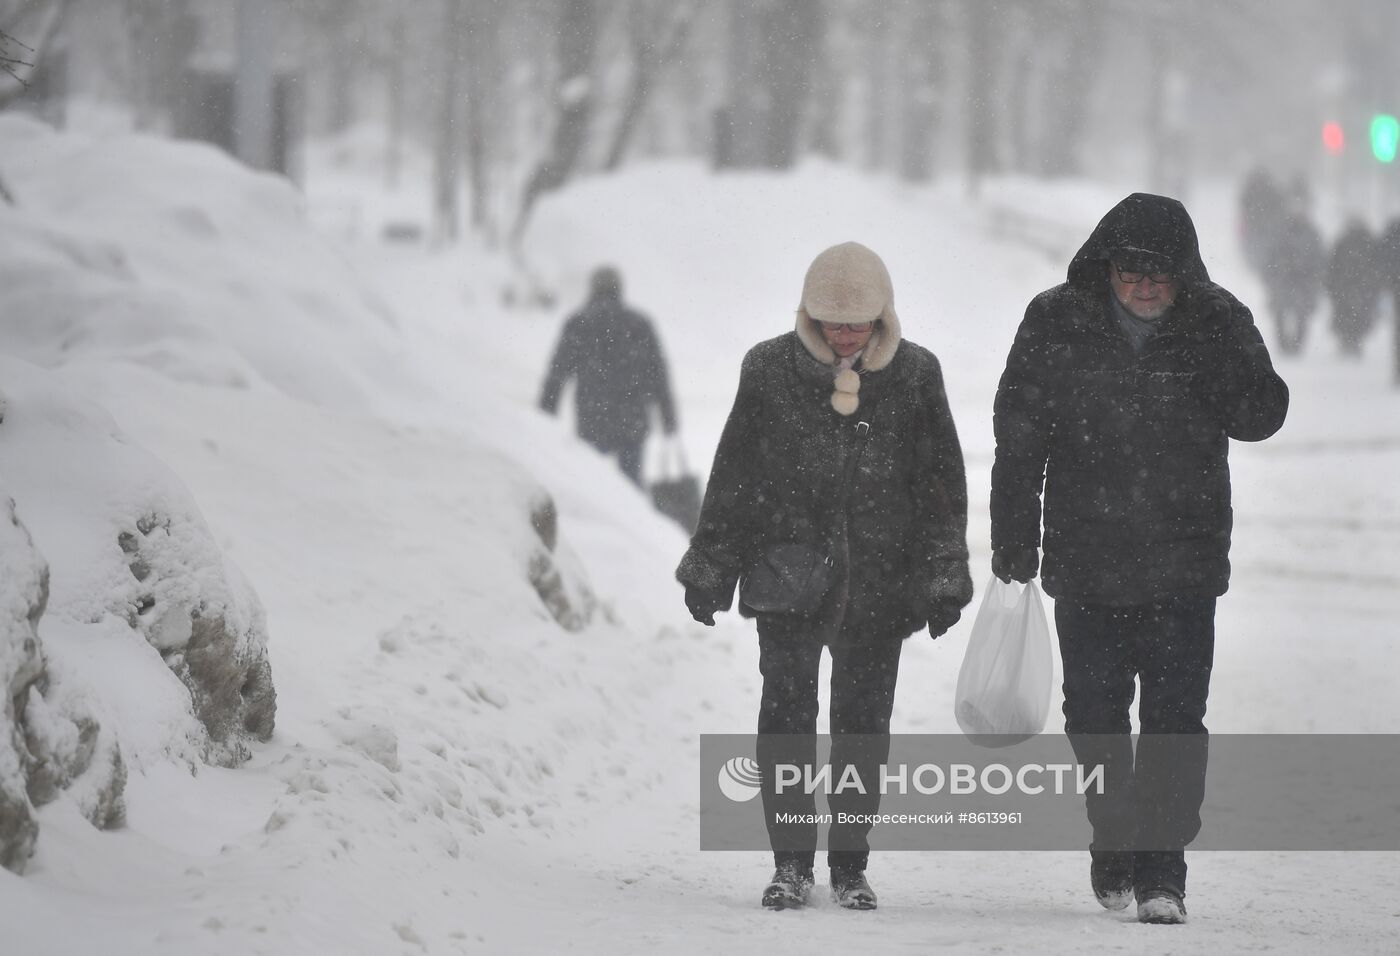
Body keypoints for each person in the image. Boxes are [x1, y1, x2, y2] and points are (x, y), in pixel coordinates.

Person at [991, 194, 1288, 925]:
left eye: (1162, 274)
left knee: (1175, 723)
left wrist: (1218, 356)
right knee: (1093, 716)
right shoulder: (1056, 321)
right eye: (1132, 271)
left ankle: (1164, 871)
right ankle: (1111, 833)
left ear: (1184, 273)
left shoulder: (1215, 321)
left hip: (1184, 563)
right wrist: (1012, 542)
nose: (1146, 287)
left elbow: (1261, 415)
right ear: (1107, 266)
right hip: (1085, 558)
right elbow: (1019, 438)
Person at [675, 242, 973, 911]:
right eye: (833, 321)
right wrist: (712, 564)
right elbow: (737, 475)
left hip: (880, 577)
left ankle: (849, 866)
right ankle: (789, 864)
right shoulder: (770, 369)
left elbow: (938, 484)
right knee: (785, 722)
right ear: (809, 315)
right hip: (788, 571)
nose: (846, 334)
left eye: (858, 321)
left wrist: (944, 569)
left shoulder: (917, 374)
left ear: (881, 315)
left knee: (862, 728)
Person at [539, 266, 677, 483]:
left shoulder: (579, 322)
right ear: (619, 289)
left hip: (593, 418)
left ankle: (596, 515)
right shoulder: (639, 323)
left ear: (593, 289)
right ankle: (631, 516)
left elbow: (557, 372)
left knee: (592, 486)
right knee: (632, 488)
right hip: (632, 420)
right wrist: (668, 416)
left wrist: (545, 414)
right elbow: (658, 373)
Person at [1325, 219, 1383, 358]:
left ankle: (1353, 341)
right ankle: (1348, 341)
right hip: (1348, 287)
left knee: (1357, 316)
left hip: (1357, 287)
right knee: (1347, 316)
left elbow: (1375, 265)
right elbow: (1334, 264)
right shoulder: (1349, 242)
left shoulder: (1365, 243)